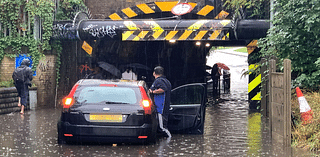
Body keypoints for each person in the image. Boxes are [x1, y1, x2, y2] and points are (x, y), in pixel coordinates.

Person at [149, 66, 172, 138]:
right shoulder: (166, 81)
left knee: (162, 127)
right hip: (164, 107)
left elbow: (163, 89)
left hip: (161, 108)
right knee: (161, 125)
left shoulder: (159, 81)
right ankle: (165, 145)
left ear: (154, 73)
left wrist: (153, 92)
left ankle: (169, 140)